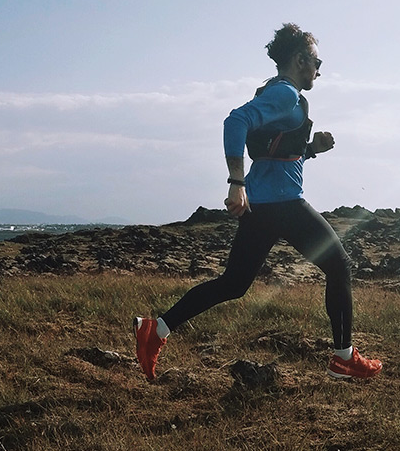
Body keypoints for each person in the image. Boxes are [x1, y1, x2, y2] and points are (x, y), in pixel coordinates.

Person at [134, 23, 382, 381]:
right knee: (339, 265)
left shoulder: (273, 92)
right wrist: (235, 181)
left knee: (233, 284)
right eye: (316, 60)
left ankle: (155, 330)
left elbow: (272, 155)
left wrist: (312, 150)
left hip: (262, 206)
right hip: (282, 204)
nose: (319, 69)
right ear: (300, 60)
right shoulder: (285, 95)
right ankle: (344, 359)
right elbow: (235, 121)